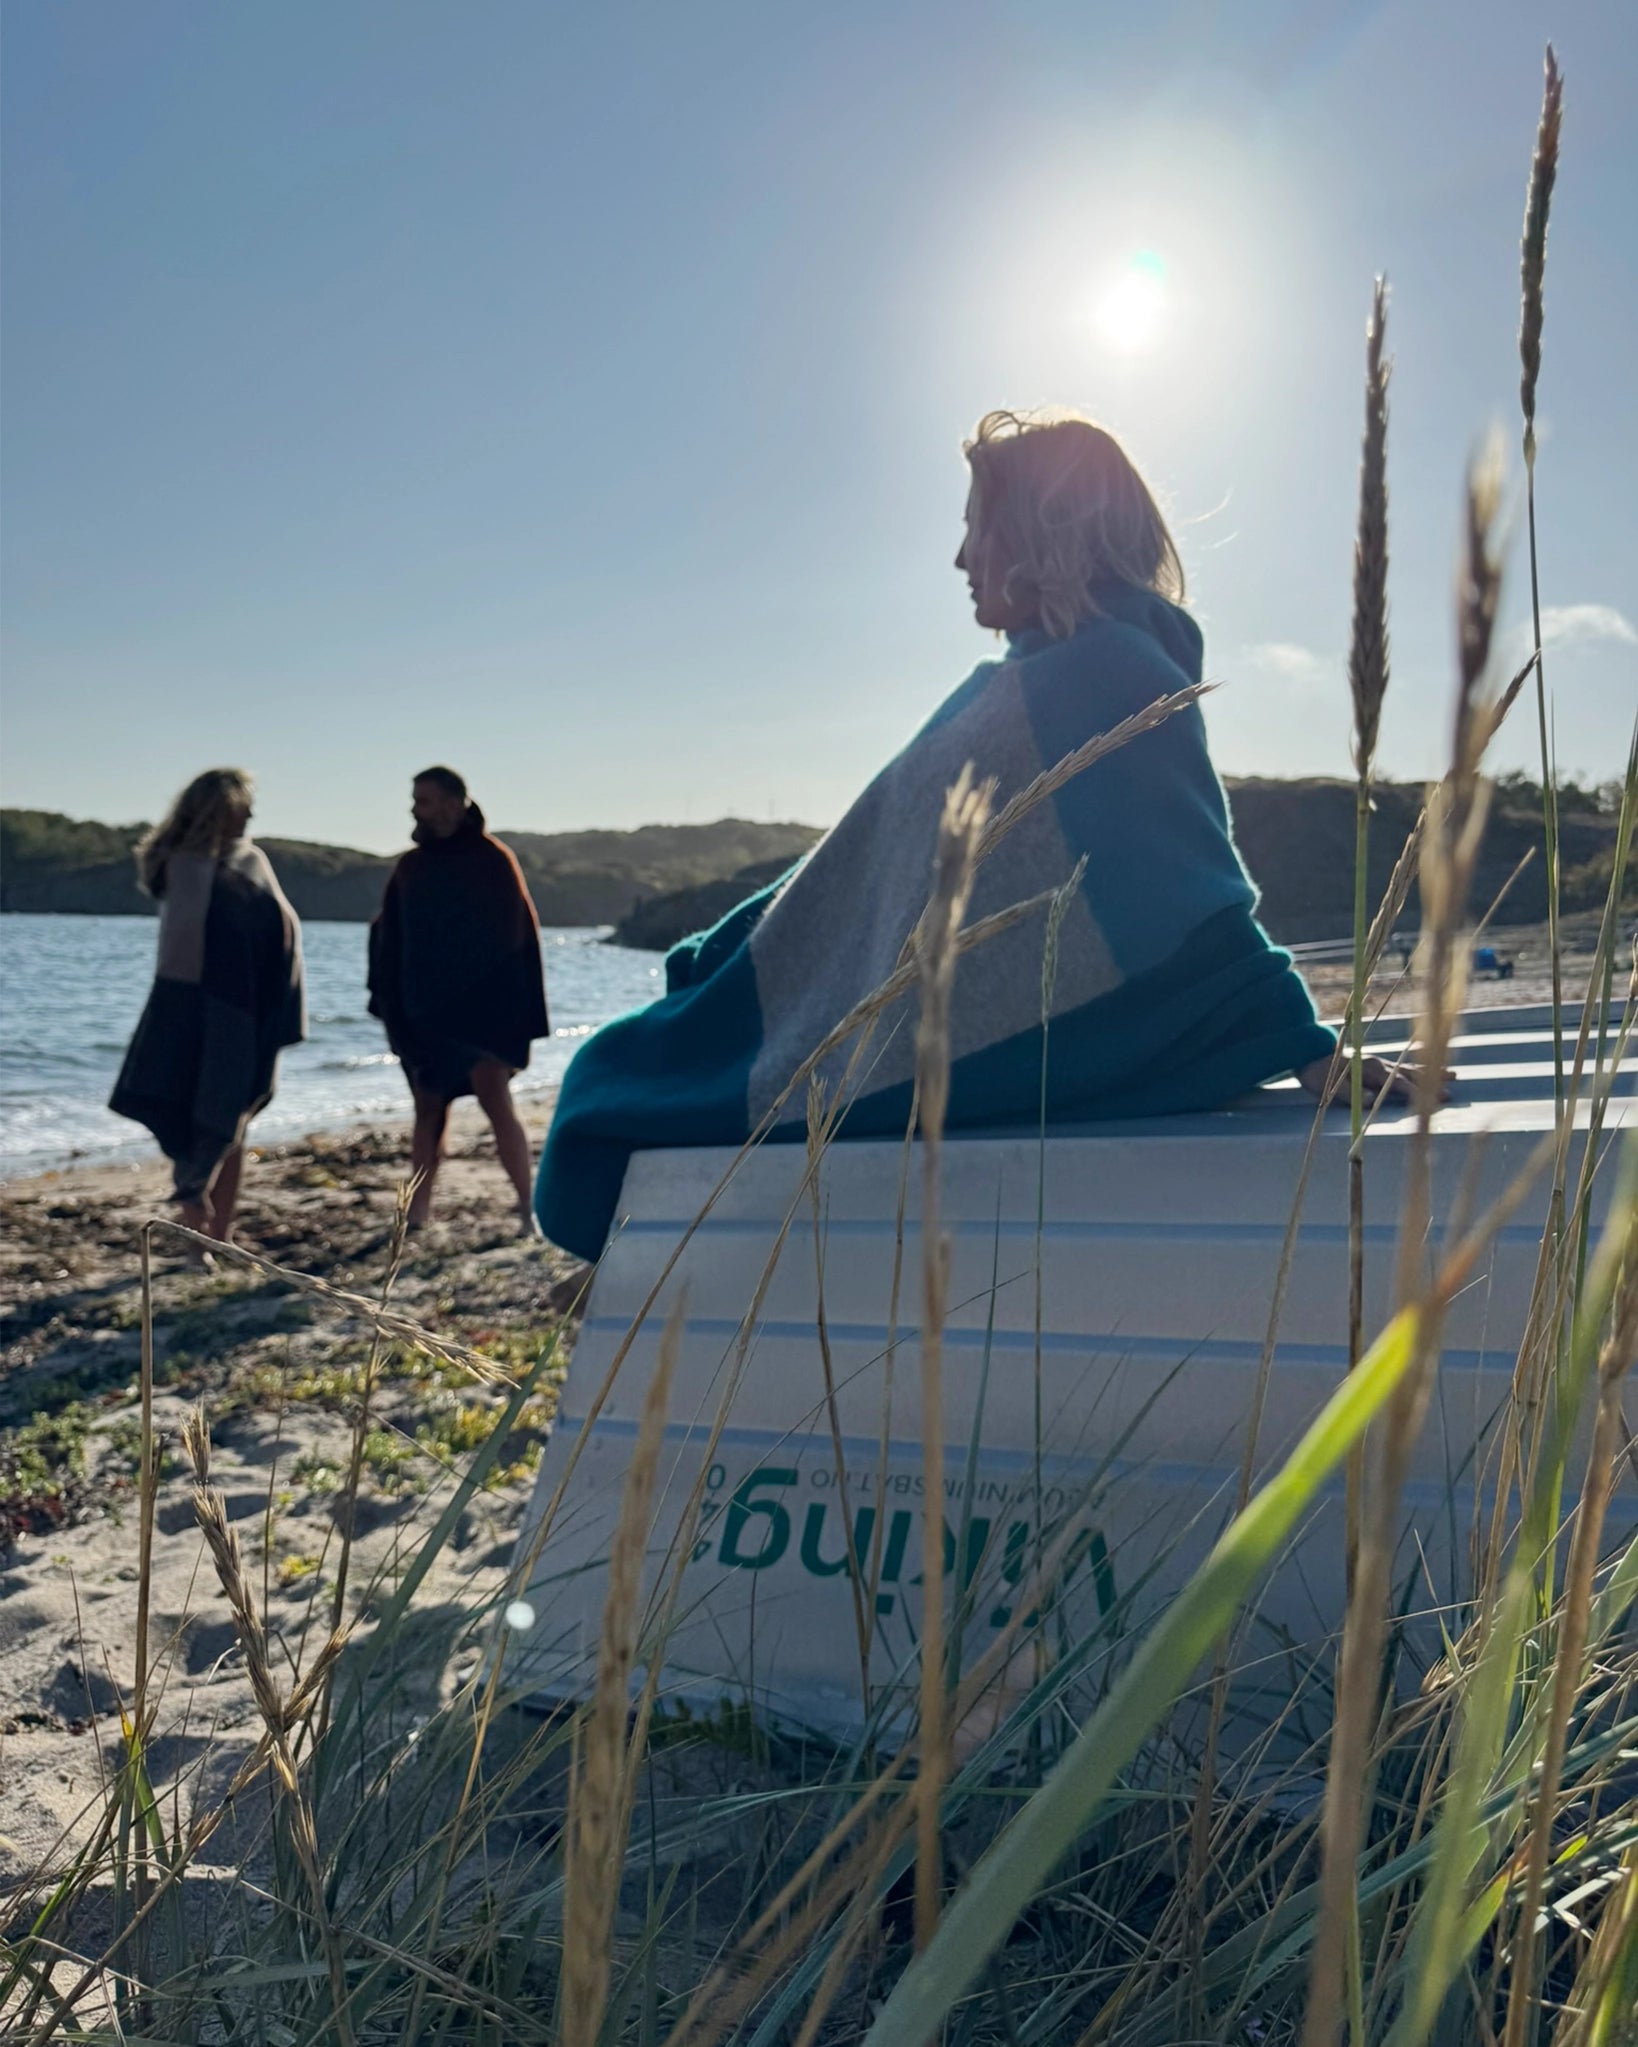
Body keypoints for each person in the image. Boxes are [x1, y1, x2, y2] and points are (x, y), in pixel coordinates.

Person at [534, 408, 1406, 1264]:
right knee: (615, 1081)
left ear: (1042, 530)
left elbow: (1180, 885)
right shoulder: (1027, 676)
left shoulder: (1112, 672)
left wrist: (1301, 1040)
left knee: (611, 1097)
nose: (959, 557)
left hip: (895, 1046)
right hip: (845, 1017)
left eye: (975, 528)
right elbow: (874, 857)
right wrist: (739, 951)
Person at [110, 768, 305, 1251]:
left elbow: (273, 932)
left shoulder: (251, 862)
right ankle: (199, 1232)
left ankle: (221, 1235)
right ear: (219, 810)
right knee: (191, 1108)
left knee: (234, 1118)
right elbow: (182, 953)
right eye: (244, 805)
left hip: (248, 1006)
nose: (252, 814)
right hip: (193, 1008)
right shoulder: (185, 866)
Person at [368, 766, 550, 1231]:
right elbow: (388, 938)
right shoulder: (412, 866)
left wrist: (520, 1016)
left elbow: (519, 940)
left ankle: (528, 1210)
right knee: (428, 1108)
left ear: (454, 803)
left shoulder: (493, 859)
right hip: (426, 1015)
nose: (415, 809)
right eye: (415, 800)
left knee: (495, 1097)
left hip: (487, 1016)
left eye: (423, 800)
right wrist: (390, 1004)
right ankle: (418, 1217)